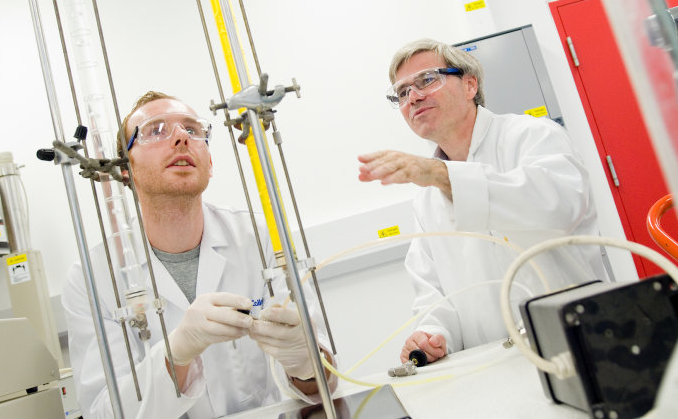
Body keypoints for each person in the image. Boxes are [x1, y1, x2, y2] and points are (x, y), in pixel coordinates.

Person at [62, 91, 336, 418]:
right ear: (125, 171)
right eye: (155, 131)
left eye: (193, 130)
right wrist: (174, 355)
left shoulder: (262, 236)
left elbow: (323, 382)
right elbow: (102, 413)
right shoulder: (91, 278)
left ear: (210, 163)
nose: (181, 138)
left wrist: (304, 363)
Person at [358, 39, 609, 365]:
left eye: (426, 80)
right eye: (402, 92)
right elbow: (432, 290)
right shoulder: (425, 193)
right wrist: (434, 334)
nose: (414, 97)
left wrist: (444, 176)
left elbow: (558, 207)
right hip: (493, 363)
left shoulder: (532, 136)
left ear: (469, 84)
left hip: (577, 346)